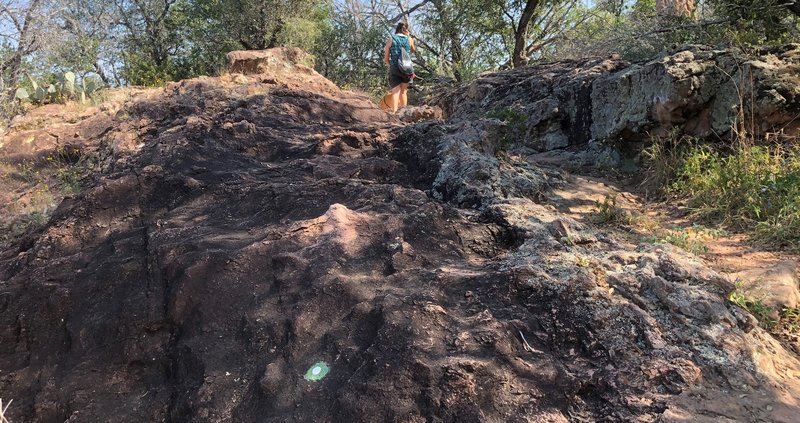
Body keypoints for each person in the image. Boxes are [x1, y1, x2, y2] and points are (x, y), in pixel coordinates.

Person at [383, 22, 416, 113]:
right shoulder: (409, 39)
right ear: (405, 30)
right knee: (403, 92)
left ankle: (394, 113)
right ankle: (404, 113)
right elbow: (413, 50)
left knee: (395, 91)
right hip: (407, 68)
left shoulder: (391, 39)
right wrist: (409, 37)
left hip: (395, 67)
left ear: (396, 29)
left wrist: (389, 64)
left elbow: (386, 58)